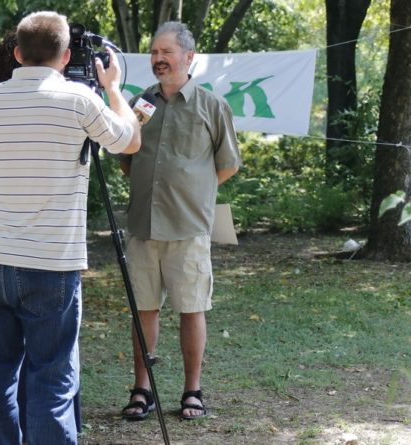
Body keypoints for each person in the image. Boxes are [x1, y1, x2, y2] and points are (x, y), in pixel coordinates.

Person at [0, 11, 141, 445]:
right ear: (66, 56)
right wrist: (113, 89)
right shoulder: (78, 101)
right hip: (51, 263)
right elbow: (130, 140)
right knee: (51, 379)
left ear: (15, 54)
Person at [119, 21, 241, 422]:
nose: (158, 59)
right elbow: (126, 159)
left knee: (191, 309)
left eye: (166, 52)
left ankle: (193, 390)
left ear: (189, 57)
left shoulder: (212, 106)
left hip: (188, 228)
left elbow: (227, 165)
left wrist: (193, 190)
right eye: (154, 53)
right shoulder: (139, 103)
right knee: (144, 310)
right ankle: (142, 389)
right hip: (142, 226)